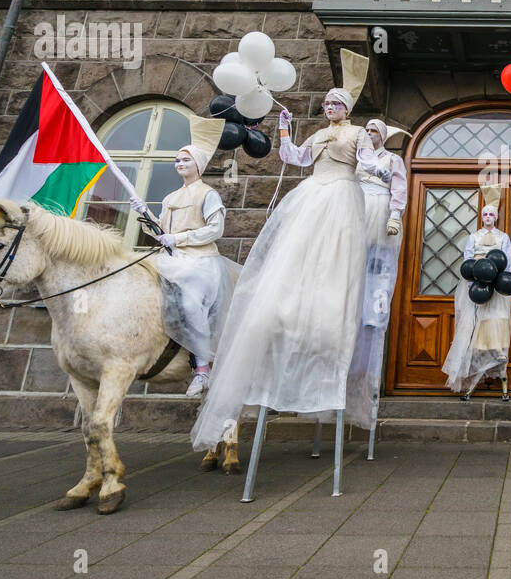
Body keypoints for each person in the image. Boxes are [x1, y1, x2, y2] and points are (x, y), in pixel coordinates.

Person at [190, 51, 381, 451]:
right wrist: (284, 132)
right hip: (314, 192)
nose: (329, 108)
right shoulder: (320, 133)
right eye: (327, 103)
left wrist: (377, 168)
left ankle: (324, 309)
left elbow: (365, 161)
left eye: (335, 104)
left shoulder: (356, 133)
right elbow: (296, 160)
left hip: (341, 194)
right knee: (294, 251)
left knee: (334, 252)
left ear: (345, 109)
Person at [129, 114, 238, 398]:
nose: (180, 164)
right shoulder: (170, 198)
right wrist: (145, 214)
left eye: (186, 160)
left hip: (201, 262)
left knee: (191, 306)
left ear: (198, 165)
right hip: (174, 260)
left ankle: (202, 369)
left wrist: (178, 239)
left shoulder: (208, 194)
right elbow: (161, 231)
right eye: (177, 160)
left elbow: (215, 230)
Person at [334, 117, 408, 433]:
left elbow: (399, 188)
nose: (370, 135)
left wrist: (394, 215)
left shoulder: (392, 160)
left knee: (375, 270)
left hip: (377, 211)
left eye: (375, 131)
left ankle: (370, 321)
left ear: (384, 136)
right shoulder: (356, 159)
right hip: (354, 210)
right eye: (367, 131)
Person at [443, 185, 511, 398]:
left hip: (497, 287)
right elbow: (468, 258)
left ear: (496, 216)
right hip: (477, 285)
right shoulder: (473, 236)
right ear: (481, 217)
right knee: (473, 323)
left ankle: (497, 359)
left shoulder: (503, 238)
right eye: (485, 214)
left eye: (492, 213)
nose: (489, 217)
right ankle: (474, 364)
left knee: (496, 321)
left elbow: (507, 263)